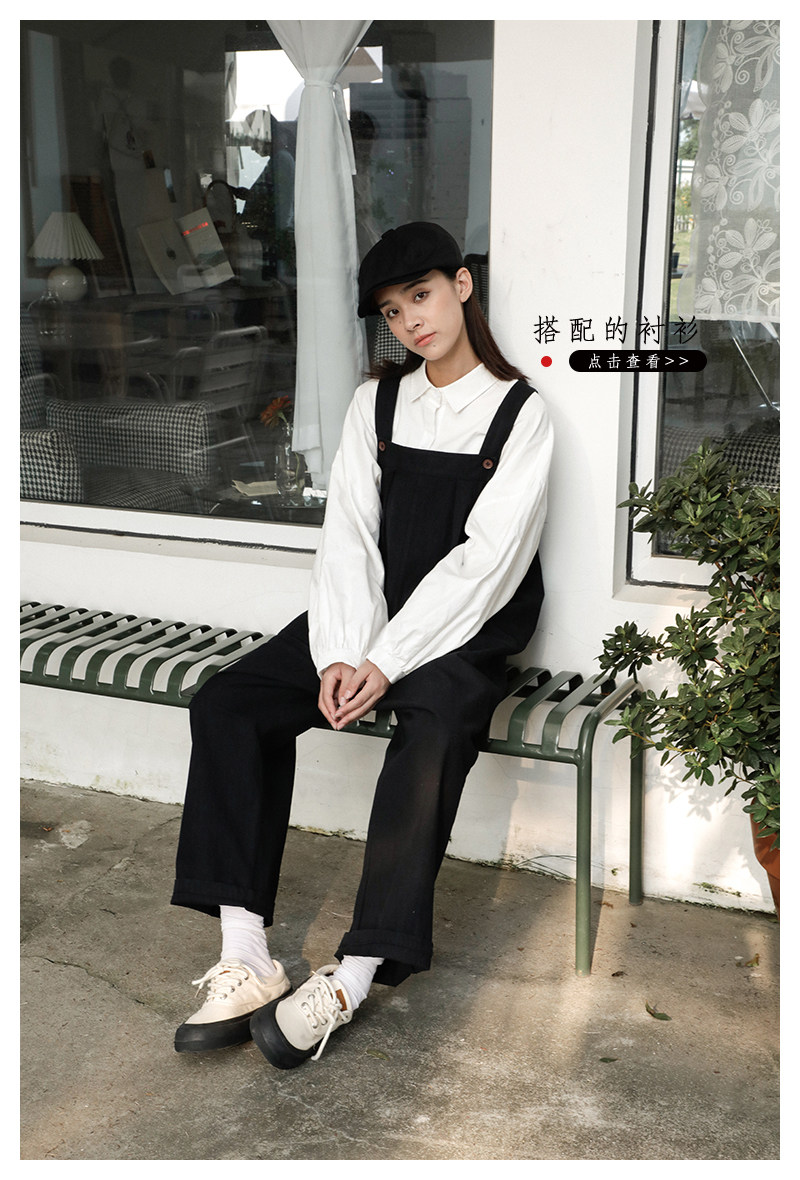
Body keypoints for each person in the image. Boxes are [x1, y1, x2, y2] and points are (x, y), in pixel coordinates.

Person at [171, 221, 553, 1068]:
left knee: (432, 734)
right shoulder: (375, 402)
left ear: (461, 286)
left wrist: (386, 662)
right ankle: (246, 953)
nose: (411, 320)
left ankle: (355, 972)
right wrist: (344, 650)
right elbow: (347, 533)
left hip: (463, 629)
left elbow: (486, 565)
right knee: (230, 704)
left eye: (421, 295)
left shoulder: (520, 414)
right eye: (391, 310)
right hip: (366, 614)